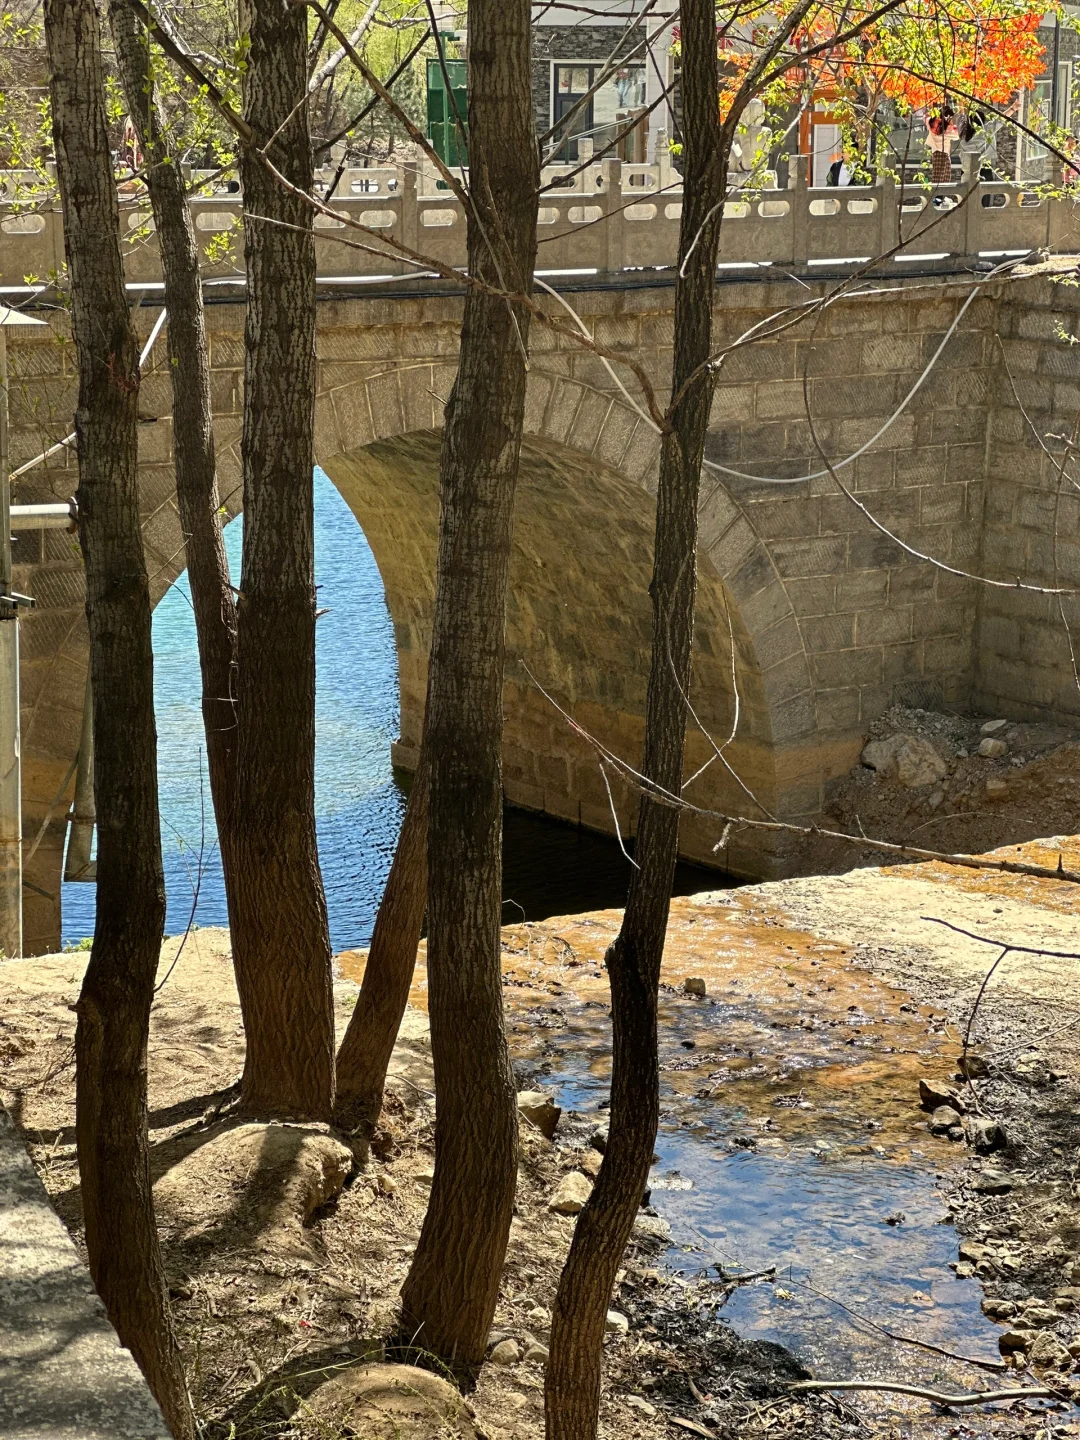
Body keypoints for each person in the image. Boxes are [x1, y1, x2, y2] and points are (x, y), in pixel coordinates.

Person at [926, 108, 957, 183]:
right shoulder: (947, 129)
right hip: (943, 153)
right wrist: (951, 124)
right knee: (943, 181)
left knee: (938, 179)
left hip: (936, 153)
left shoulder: (932, 123)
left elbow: (927, 118)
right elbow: (957, 136)